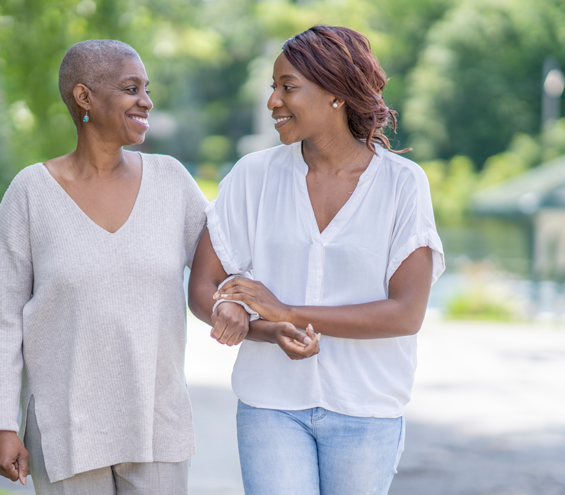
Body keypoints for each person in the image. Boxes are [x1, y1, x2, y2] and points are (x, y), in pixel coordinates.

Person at [188, 26, 445, 495]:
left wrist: (288, 312)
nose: (273, 101)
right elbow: (204, 286)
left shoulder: (403, 185)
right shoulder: (252, 176)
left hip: (366, 407)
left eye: (287, 87)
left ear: (335, 94)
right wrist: (249, 318)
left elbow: (406, 313)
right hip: (271, 403)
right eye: (273, 87)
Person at [0, 40, 207, 495]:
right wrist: (1, 426)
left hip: (156, 423)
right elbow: (2, 318)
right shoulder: (31, 193)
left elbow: (225, 263)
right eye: (131, 88)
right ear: (84, 97)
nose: (147, 100)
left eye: (146, 88)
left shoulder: (172, 183)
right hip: (67, 428)